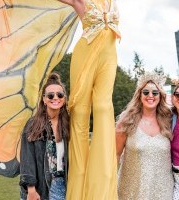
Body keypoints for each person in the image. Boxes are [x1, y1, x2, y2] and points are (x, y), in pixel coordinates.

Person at [56, 0, 121, 199]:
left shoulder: (113, 2)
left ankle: (101, 181)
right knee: (80, 112)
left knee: (103, 107)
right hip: (84, 54)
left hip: (109, 57)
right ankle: (79, 179)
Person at [116, 73, 174, 200]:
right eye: (146, 92)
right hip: (131, 192)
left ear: (160, 96)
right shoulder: (126, 120)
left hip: (163, 192)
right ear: (139, 95)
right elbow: (115, 155)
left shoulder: (169, 120)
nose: (150, 96)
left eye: (155, 92)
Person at [19, 73, 69, 200]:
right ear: (44, 99)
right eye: (51, 95)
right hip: (40, 186)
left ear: (64, 98)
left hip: (63, 184)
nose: (55, 98)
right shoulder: (33, 124)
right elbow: (27, 158)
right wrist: (31, 189)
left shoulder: (68, 123)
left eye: (60, 94)